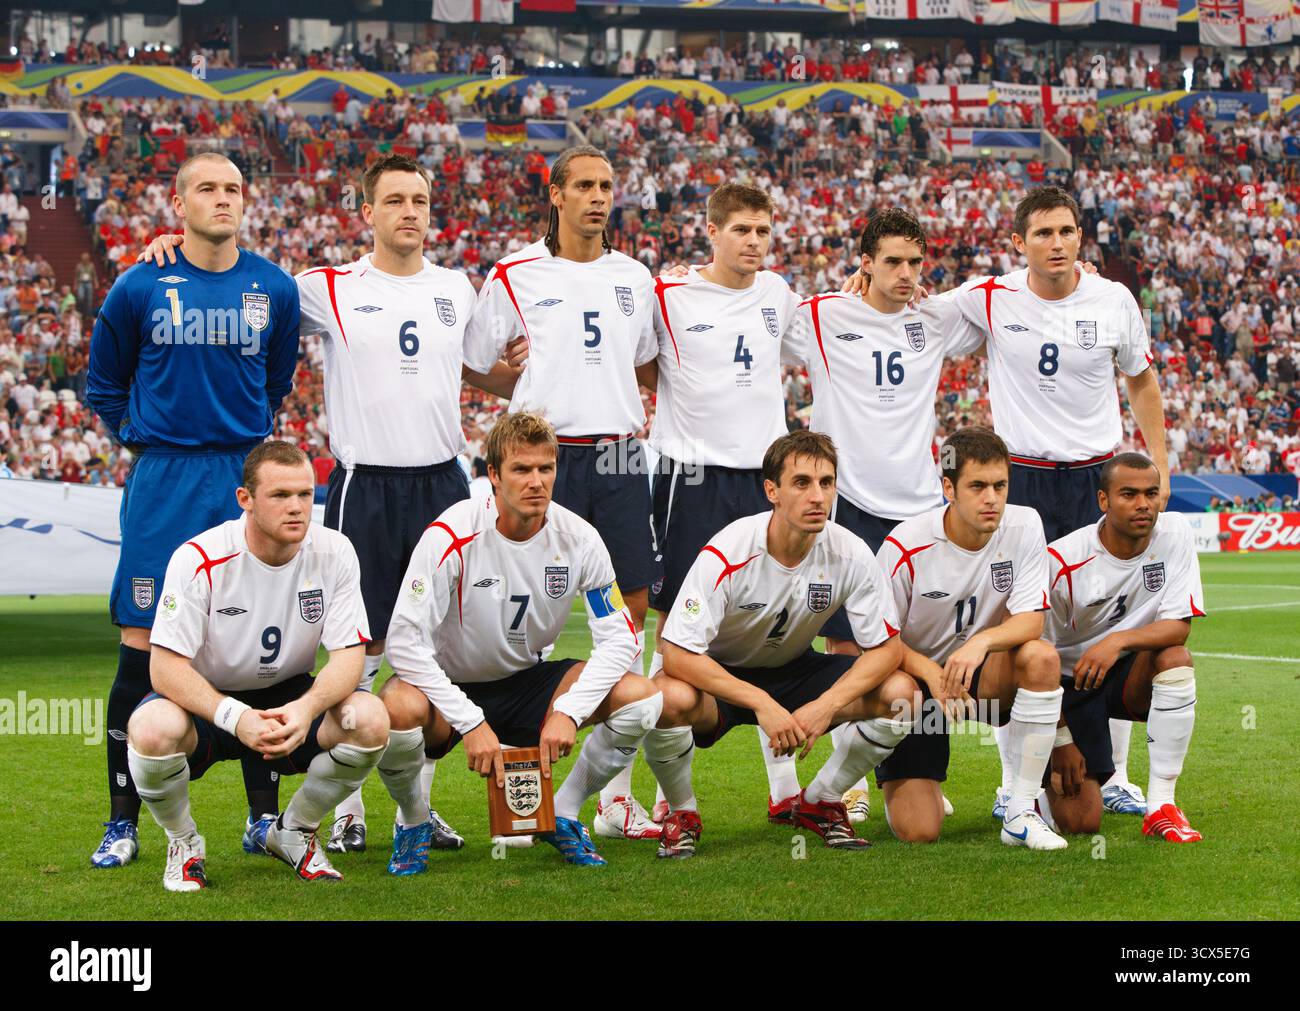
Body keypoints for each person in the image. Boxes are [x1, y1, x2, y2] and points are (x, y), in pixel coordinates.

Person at [137, 154, 523, 855]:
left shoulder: (456, 289)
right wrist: (170, 251)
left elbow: (472, 368)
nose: (411, 211)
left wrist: (523, 376)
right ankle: (346, 808)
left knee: (430, 646)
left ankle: (417, 807)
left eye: (421, 200)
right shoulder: (327, 287)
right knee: (360, 644)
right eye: (396, 200)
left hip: (442, 480)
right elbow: (238, 280)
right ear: (367, 212)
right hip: (363, 484)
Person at [86, 152, 299, 870]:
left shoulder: (272, 286)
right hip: (164, 477)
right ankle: (123, 822)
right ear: (180, 203)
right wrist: (147, 441)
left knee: (253, 643)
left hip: (240, 470)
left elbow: (277, 380)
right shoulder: (139, 284)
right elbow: (104, 387)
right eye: (207, 188)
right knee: (141, 649)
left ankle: (263, 816)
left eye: (234, 188)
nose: (223, 199)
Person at [594, 180, 804, 841]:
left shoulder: (780, 295)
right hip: (692, 478)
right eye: (741, 229)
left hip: (765, 481)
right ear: (711, 231)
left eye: (764, 231)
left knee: (776, 620)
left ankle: (787, 787)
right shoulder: (670, 294)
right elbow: (635, 363)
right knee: (671, 630)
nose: (753, 242)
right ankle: (629, 793)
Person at [463, 144, 658, 823]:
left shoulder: (635, 275)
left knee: (628, 614)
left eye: (607, 184)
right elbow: (470, 360)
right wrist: (515, 388)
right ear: (556, 193)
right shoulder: (516, 270)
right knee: (530, 616)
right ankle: (524, 794)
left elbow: (645, 367)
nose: (598, 196)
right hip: (543, 457)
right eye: (584, 185)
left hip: (618, 455)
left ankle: (615, 795)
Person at [379, 412, 659, 871]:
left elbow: (620, 640)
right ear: (493, 475)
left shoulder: (580, 539)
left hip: (528, 680)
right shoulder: (450, 534)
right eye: (521, 470)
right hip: (450, 687)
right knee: (395, 709)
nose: (536, 482)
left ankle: (563, 815)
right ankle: (412, 823)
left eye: (545, 469)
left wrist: (569, 711)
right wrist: (471, 722)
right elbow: (405, 644)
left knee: (642, 699)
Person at [127, 442, 387, 891]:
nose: (297, 508)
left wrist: (306, 711)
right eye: (280, 495)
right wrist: (236, 717)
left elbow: (349, 656)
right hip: (210, 702)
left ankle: (294, 831)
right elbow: (165, 669)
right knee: (152, 728)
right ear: (245, 500)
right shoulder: (198, 558)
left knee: (369, 719)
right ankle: (184, 843)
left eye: (305, 495)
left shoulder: (335, 551)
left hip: (289, 697)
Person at [793, 207, 984, 821]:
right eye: (892, 261)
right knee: (849, 646)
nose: (905, 273)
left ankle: (913, 762)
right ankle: (844, 779)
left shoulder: (933, 318)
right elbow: (742, 311)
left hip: (921, 504)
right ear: (865, 263)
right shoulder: (822, 314)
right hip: (848, 502)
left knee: (920, 642)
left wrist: (1083, 275)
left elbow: (1011, 294)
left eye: (914, 262)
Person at [645, 430, 911, 858]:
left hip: (796, 669)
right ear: (772, 490)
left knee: (902, 695)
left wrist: (825, 706)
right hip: (725, 677)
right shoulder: (729, 549)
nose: (817, 496)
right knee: (665, 697)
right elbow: (675, 652)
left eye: (826, 483)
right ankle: (682, 813)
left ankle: (820, 801)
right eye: (802, 483)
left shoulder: (850, 553)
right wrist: (760, 703)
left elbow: (886, 649)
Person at [873, 427, 1066, 849]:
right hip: (916, 684)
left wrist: (978, 644)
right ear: (948, 488)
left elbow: (1031, 620)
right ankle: (888, 777)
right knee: (919, 832)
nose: (992, 498)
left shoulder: (1025, 524)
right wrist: (930, 672)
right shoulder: (904, 545)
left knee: (1041, 657)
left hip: (979, 671)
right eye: (977, 486)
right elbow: (879, 641)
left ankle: (1020, 807)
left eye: (1000, 485)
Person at [1042, 453, 1205, 843]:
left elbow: (1178, 627)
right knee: (1082, 824)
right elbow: (1032, 663)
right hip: (1067, 687)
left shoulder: (1176, 533)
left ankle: (1161, 805)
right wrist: (1061, 737)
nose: (1143, 504)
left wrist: (1117, 641)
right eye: (1128, 494)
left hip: (1123, 673)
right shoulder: (1062, 560)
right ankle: (1030, 789)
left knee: (1175, 659)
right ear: (1103, 501)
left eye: (1150, 494)